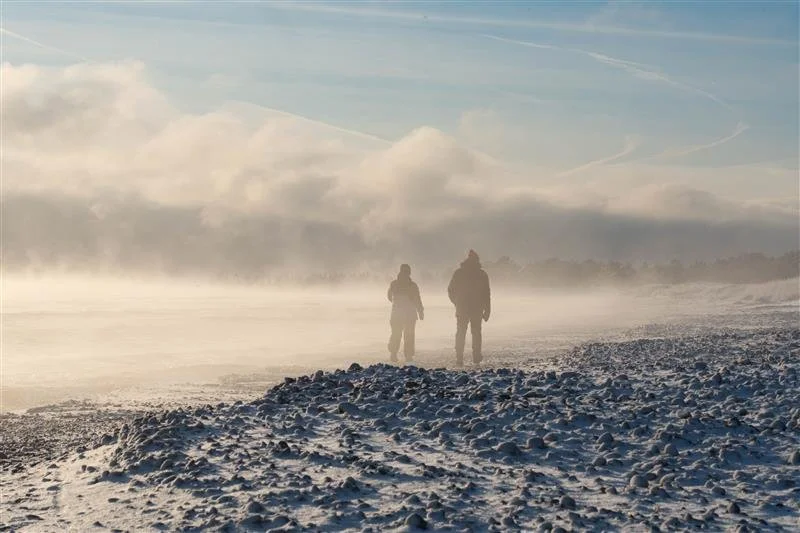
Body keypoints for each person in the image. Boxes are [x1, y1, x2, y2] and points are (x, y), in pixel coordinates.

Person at [447, 250, 491, 367]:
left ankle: (459, 357)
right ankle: (476, 356)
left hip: (462, 308)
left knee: (461, 332)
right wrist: (487, 310)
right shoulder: (482, 274)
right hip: (476, 308)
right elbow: (487, 294)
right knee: (476, 333)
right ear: (477, 260)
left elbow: (450, 290)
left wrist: (456, 302)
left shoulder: (459, 273)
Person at [387, 264, 424, 363]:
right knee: (409, 335)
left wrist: (396, 304)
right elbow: (417, 300)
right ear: (409, 273)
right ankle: (408, 356)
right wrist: (420, 311)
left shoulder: (394, 284)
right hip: (410, 314)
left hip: (396, 313)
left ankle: (393, 354)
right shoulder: (412, 285)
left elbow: (389, 296)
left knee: (395, 334)